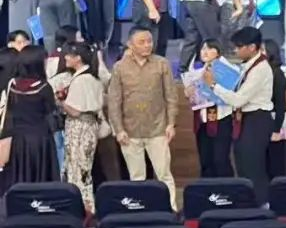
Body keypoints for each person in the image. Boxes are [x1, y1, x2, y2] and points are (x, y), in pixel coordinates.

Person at [107, 26, 179, 209]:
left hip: (158, 129)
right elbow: (114, 102)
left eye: (149, 41)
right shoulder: (119, 67)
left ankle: (171, 210)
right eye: (142, 42)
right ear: (130, 45)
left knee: (164, 175)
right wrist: (118, 130)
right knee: (137, 177)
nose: (147, 45)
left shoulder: (162, 64)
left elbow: (171, 96)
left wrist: (171, 123)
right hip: (129, 131)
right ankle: (141, 211)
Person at [204, 27, 275, 205]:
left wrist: (213, 86)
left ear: (252, 47)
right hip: (246, 120)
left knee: (253, 165)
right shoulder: (248, 65)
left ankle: (262, 204)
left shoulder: (260, 69)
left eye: (239, 47)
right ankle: (248, 203)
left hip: (257, 120)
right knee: (242, 163)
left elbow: (238, 100)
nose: (235, 50)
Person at [0, 46, 61, 198]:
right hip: (41, 140)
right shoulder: (44, 87)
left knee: (21, 174)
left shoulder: (12, 85)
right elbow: (52, 115)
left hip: (19, 140)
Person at [58, 42, 104, 213]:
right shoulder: (92, 77)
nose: (65, 58)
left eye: (68, 55)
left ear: (78, 58)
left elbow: (75, 111)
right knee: (83, 167)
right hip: (90, 126)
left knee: (78, 169)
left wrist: (60, 102)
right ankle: (86, 206)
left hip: (79, 127)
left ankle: (83, 207)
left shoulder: (81, 80)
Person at [184, 39, 234, 179]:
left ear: (218, 52)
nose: (205, 52)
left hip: (221, 119)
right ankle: (208, 189)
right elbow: (193, 97)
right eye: (203, 48)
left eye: (210, 48)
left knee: (220, 159)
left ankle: (228, 188)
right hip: (202, 120)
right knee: (205, 159)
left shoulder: (226, 70)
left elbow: (231, 95)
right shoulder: (198, 72)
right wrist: (189, 93)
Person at [265, 39, 286, 179]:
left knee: (277, 164)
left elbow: (281, 105)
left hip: (276, 123)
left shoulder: (277, 75)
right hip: (266, 123)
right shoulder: (265, 72)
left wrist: (276, 130)